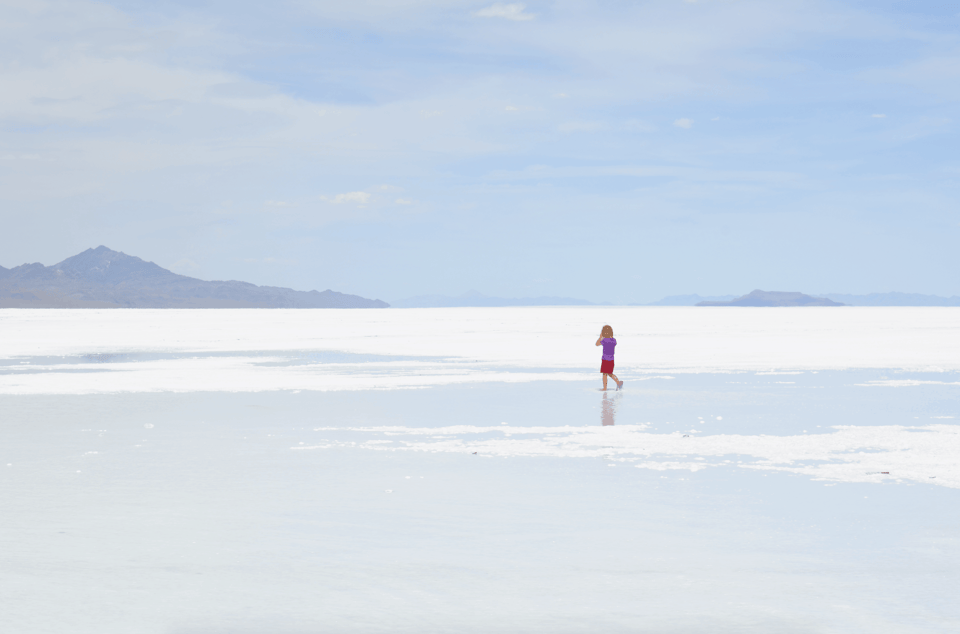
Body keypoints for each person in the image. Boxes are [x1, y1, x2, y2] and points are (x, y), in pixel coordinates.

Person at [595, 325, 623, 391]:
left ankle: (605, 388)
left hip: (605, 360)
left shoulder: (604, 340)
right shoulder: (613, 340)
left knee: (604, 374)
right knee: (610, 374)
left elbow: (597, 344)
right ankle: (618, 382)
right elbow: (614, 342)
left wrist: (600, 337)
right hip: (611, 360)